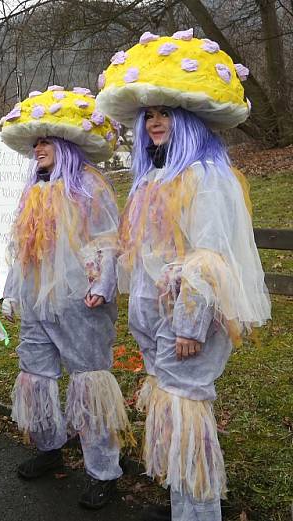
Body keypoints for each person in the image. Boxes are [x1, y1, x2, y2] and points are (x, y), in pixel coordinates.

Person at [95, 29, 271, 521]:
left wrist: (190, 325)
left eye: (165, 112)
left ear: (189, 118)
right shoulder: (153, 179)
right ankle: (183, 503)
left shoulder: (206, 178)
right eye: (148, 113)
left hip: (187, 324)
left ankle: (198, 510)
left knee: (185, 410)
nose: (154, 122)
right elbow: (147, 253)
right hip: (158, 320)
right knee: (172, 407)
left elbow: (209, 255)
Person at [0, 86, 130, 509]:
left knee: (89, 381)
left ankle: (103, 470)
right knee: (35, 373)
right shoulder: (33, 190)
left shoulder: (91, 186)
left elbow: (108, 239)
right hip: (38, 301)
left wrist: (100, 285)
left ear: (66, 145)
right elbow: (24, 247)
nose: (38, 148)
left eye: (46, 141)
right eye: (34, 141)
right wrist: (14, 290)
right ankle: (49, 444)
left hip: (79, 301)